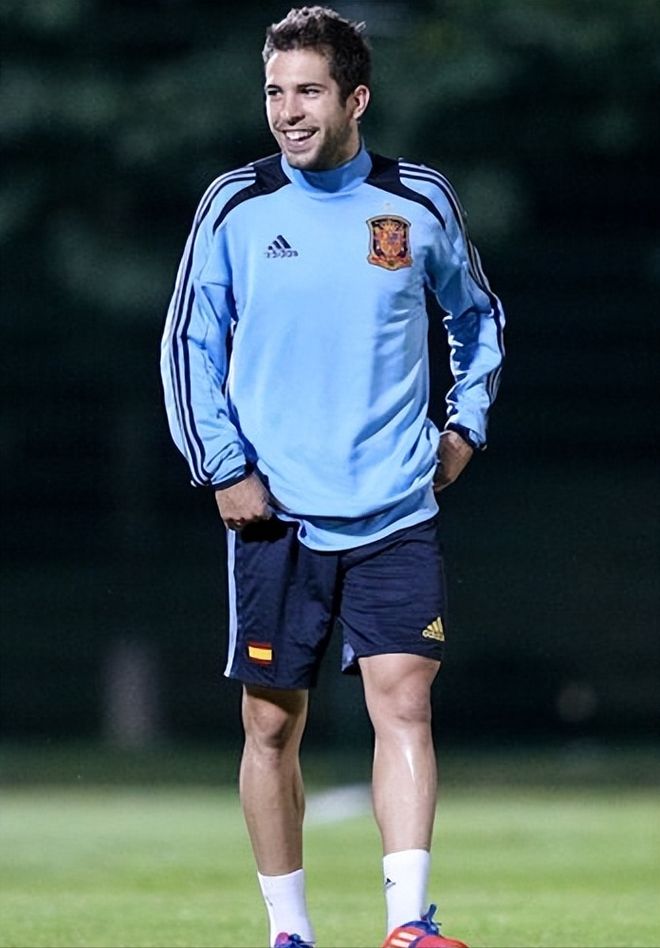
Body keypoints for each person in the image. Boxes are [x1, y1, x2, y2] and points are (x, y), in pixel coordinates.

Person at [161, 6, 504, 947]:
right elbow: (189, 344)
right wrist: (223, 469)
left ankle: (408, 924)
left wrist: (465, 429)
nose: (287, 111)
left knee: (405, 702)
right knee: (271, 727)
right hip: (276, 512)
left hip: (395, 505)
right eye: (275, 91)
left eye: (307, 91)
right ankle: (290, 932)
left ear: (356, 99)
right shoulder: (234, 203)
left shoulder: (417, 201)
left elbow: (477, 318)